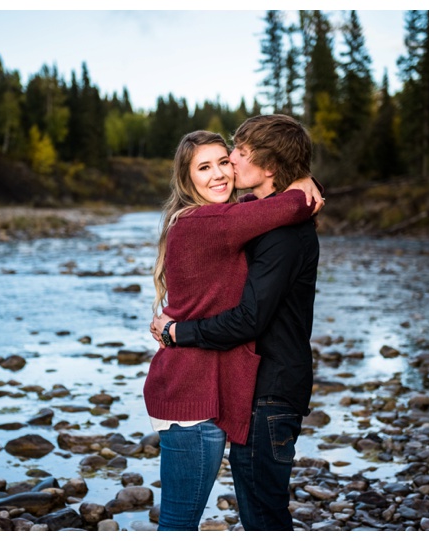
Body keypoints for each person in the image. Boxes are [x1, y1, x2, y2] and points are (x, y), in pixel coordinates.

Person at [143, 129, 323, 531]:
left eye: (227, 160)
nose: (223, 171)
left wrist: (304, 182)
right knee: (180, 523)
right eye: (204, 167)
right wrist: (305, 187)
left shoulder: (228, 218)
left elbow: (275, 206)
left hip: (201, 392)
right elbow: (291, 204)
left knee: (212, 518)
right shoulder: (208, 221)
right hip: (192, 395)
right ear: (186, 179)